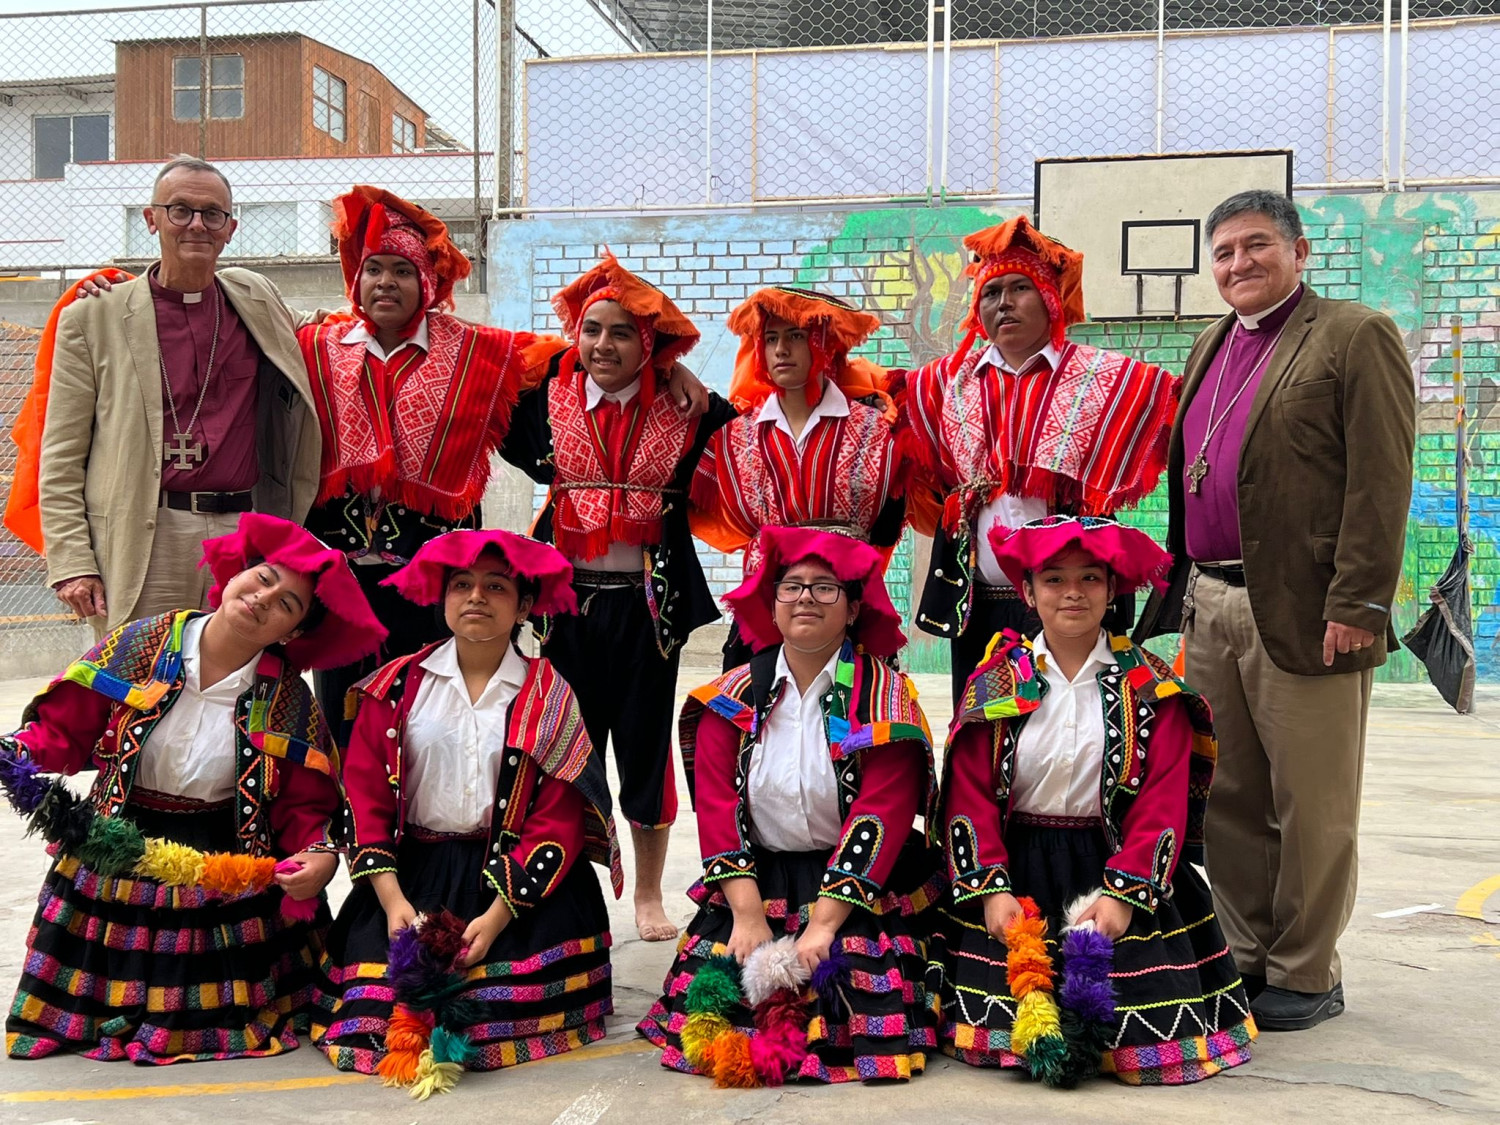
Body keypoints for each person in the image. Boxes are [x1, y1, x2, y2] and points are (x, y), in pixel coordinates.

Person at [1134, 190, 1416, 1032]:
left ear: (1299, 251)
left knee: (1312, 801)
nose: (1238, 264)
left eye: (1256, 246)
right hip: (1211, 601)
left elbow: (1380, 477)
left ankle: (1305, 967)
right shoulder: (1212, 343)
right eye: (1222, 253)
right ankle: (1245, 952)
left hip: (1306, 607)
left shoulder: (1353, 334)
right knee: (1229, 794)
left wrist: (1361, 600)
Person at [0, 513, 385, 1063]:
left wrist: (318, 855)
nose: (264, 598)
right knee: (80, 1014)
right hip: (115, 839)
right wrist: (19, 751)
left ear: (293, 633)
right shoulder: (142, 644)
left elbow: (304, 805)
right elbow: (66, 730)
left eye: (287, 604)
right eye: (264, 577)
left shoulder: (288, 701)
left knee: (206, 1019)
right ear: (236, 574)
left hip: (224, 853)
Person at [931, 515, 1256, 1085]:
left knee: (1142, 1032)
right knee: (999, 1024)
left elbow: (1163, 803)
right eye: (1053, 579)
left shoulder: (1156, 689)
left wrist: (1124, 896)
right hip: (1018, 873)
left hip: (1114, 868)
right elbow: (969, 793)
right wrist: (990, 889)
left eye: (1089, 578)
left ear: (1113, 591)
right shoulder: (994, 683)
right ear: (1027, 593)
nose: (1073, 592)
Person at [314, 528, 621, 1081]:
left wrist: (497, 915)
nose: (476, 597)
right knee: (368, 1021)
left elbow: (559, 817)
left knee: (491, 1017)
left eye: (496, 586)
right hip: (410, 882)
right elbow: (365, 795)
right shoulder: (395, 686)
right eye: (462, 585)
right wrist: (390, 902)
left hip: (513, 885)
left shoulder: (551, 694)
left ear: (525, 605)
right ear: (443, 597)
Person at [639, 527, 941, 1085]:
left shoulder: (886, 699)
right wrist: (748, 916)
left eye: (825, 588)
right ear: (771, 605)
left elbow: (882, 811)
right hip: (758, 880)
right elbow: (716, 805)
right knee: (721, 1011)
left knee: (851, 1009)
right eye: (791, 587)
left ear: (853, 609)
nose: (805, 598)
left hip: (854, 882)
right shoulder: (724, 700)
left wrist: (823, 926)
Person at [500, 253, 737, 942]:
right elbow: (493, 370)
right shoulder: (548, 400)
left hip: (647, 609)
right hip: (563, 608)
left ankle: (650, 895)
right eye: (592, 330)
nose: (603, 345)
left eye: (623, 334)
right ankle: (563, 882)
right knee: (561, 743)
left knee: (643, 749)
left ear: (651, 346)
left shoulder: (688, 410)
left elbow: (745, 426)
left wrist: (684, 375)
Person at [298, 187, 555, 733]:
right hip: (341, 575)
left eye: (402, 270)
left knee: (429, 714)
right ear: (355, 281)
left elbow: (575, 361)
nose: (386, 282)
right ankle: (350, 818)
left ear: (427, 283)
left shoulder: (479, 352)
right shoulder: (316, 346)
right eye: (373, 269)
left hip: (433, 577)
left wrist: (669, 371)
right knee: (343, 717)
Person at [36, 156, 324, 633]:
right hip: (144, 535)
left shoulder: (254, 297)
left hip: (244, 531)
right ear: (151, 219)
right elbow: (62, 453)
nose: (197, 225)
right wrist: (72, 560)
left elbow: (328, 329)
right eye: (180, 210)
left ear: (230, 228)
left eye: (212, 214)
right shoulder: (94, 317)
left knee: (233, 689)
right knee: (139, 688)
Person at [899, 217, 1178, 703]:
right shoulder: (939, 384)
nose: (1003, 302)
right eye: (990, 292)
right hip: (977, 604)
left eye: (1019, 288)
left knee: (1078, 726)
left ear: (1051, 299)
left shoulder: (1109, 378)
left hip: (1074, 603)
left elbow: (1180, 414)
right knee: (981, 730)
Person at [690, 286, 906, 668]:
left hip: (848, 598)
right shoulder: (733, 437)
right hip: (766, 600)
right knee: (756, 714)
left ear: (824, 343)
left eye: (795, 337)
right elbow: (731, 522)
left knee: (852, 718)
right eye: (770, 338)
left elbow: (885, 523)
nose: (780, 350)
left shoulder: (877, 430)